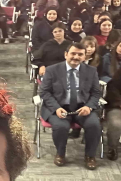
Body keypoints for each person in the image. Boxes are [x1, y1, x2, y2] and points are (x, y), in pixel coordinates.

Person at [38, 42, 103, 170]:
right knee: (61, 127)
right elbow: (44, 92)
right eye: (73, 53)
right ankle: (60, 153)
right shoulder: (52, 70)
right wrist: (56, 108)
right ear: (66, 54)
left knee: (94, 125)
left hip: (82, 107)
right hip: (59, 107)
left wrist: (89, 107)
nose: (76, 57)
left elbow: (96, 93)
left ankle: (90, 156)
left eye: (80, 54)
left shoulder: (91, 71)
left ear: (84, 57)